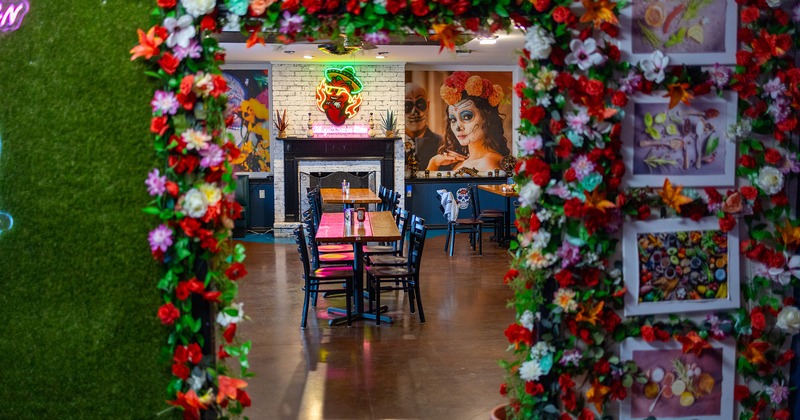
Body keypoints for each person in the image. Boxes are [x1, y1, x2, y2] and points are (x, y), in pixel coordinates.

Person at [426, 71, 510, 173]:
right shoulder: (463, 163)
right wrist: (434, 162)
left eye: (466, 116)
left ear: (487, 119)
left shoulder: (488, 162)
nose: (457, 127)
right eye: (453, 119)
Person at [405, 83, 442, 168]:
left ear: (428, 105)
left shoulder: (442, 144)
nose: (414, 112)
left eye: (420, 104)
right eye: (408, 106)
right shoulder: (394, 145)